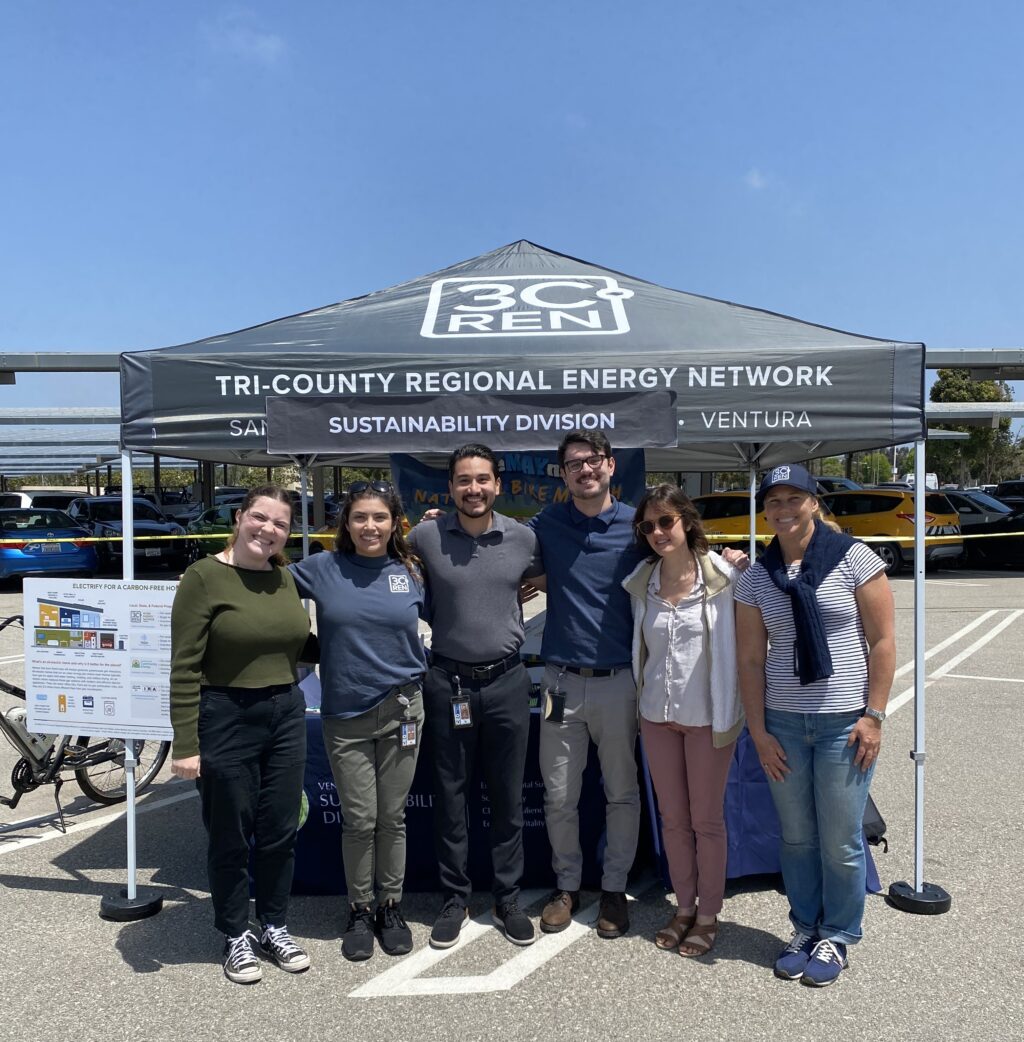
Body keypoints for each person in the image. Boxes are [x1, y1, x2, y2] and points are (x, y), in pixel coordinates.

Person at [735, 463, 895, 988]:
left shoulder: (854, 558)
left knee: (842, 837)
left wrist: (874, 716)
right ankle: (804, 928)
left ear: (814, 502)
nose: (783, 509)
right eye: (773, 501)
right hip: (782, 722)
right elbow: (752, 661)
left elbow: (882, 642)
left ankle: (840, 934)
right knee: (798, 837)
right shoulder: (758, 576)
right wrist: (758, 733)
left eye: (793, 498)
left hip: (843, 723)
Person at [169, 485, 312, 985]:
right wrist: (185, 745)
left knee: (279, 831)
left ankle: (274, 923)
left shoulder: (284, 577)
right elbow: (184, 667)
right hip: (225, 712)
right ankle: (234, 933)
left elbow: (296, 643)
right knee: (230, 834)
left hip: (285, 711)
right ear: (239, 517)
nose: (268, 530)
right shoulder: (204, 577)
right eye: (260, 518)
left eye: (280, 524)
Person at [408, 444, 544, 949]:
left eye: (482, 479)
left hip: (508, 682)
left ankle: (507, 897)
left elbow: (545, 578)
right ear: (450, 488)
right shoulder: (424, 535)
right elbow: (391, 572)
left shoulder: (522, 538)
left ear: (497, 484)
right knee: (451, 796)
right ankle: (455, 898)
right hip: (448, 683)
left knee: (508, 797)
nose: (473, 489)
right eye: (464, 480)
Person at [290, 480, 427, 962]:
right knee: (359, 819)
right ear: (346, 524)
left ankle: (391, 906)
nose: (371, 526)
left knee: (392, 818)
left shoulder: (410, 570)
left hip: (404, 709)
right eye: (360, 517)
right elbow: (264, 591)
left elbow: (457, 612)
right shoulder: (321, 569)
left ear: (395, 524)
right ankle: (359, 909)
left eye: (380, 517)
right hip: (345, 714)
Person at [527, 431, 647, 938]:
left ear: (611, 466)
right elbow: (489, 539)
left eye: (592, 460)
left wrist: (731, 565)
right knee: (559, 795)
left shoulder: (640, 526)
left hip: (620, 682)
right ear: (564, 474)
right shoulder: (547, 525)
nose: (584, 470)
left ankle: (615, 888)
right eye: (573, 464)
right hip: (559, 684)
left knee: (621, 792)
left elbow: (688, 558)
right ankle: (567, 886)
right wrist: (438, 527)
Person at [621, 484, 744, 957]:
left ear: (687, 521)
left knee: (706, 821)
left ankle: (709, 914)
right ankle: (684, 906)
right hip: (656, 715)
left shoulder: (725, 577)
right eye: (648, 525)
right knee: (673, 820)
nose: (657, 531)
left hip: (708, 717)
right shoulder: (641, 582)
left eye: (666, 521)